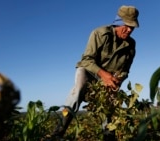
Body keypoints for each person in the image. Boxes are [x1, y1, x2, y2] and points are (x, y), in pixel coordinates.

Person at [52, 5, 139, 140]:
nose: (129, 30)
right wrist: (104, 75)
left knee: (109, 108)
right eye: (126, 25)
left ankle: (108, 137)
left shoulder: (131, 45)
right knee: (77, 93)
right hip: (89, 72)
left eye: (132, 27)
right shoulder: (100, 34)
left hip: (110, 80)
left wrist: (118, 80)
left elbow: (126, 70)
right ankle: (57, 134)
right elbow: (87, 60)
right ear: (118, 22)